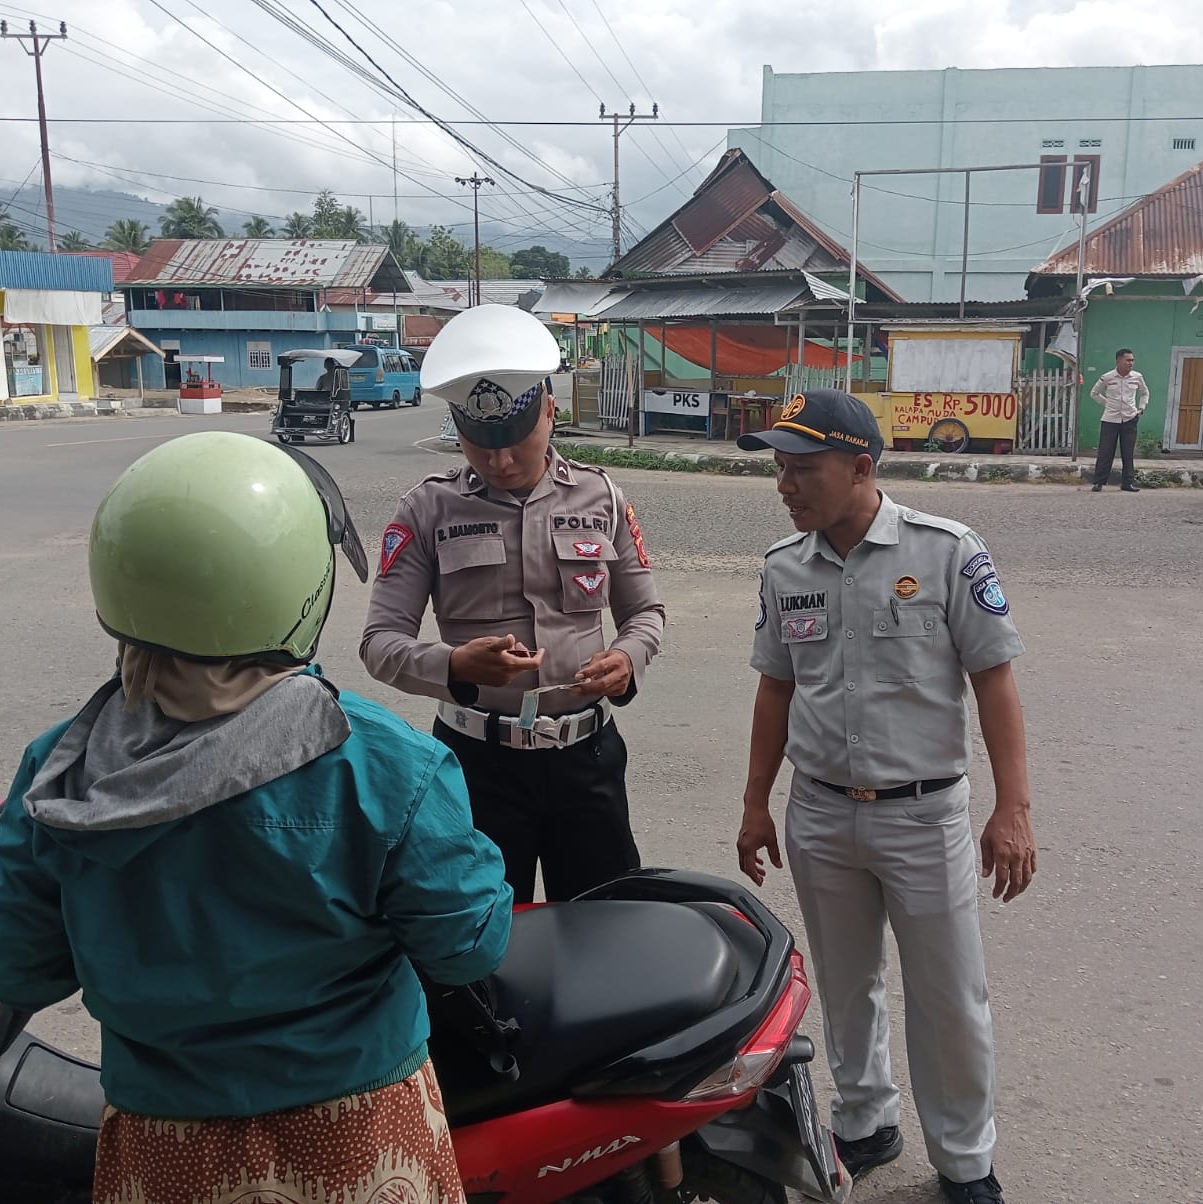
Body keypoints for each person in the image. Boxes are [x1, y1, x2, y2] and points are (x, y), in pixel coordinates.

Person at [0, 431, 511, 1204]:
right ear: (299, 588)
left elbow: (13, 968)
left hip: (165, 1147)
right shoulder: (387, 765)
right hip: (359, 1138)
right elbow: (466, 947)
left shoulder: (62, 772)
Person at [734, 388, 1036, 1204]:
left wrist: (1013, 808)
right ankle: (865, 1122)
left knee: (949, 997)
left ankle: (966, 1161)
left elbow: (994, 680)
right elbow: (774, 691)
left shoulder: (945, 551)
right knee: (845, 981)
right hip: (822, 812)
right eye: (779, 469)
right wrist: (757, 801)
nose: (785, 486)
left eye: (803, 470)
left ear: (862, 468)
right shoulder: (785, 566)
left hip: (923, 813)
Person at [361, 304, 665, 904]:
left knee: (603, 928)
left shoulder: (600, 496)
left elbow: (645, 614)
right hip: (477, 765)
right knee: (485, 944)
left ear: (549, 410)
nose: (498, 461)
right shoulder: (428, 509)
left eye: (514, 443)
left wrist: (628, 658)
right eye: (479, 445)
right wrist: (455, 666)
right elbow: (379, 644)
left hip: (586, 759)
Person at [1089, 347, 1148, 492]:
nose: (1131, 363)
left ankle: (1128, 483)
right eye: (1128, 360)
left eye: (1132, 360)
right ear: (1118, 361)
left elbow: (1145, 393)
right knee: (1105, 452)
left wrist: (1141, 408)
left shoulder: (1137, 377)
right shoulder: (1107, 377)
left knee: (1128, 453)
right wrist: (1107, 403)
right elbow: (1094, 393)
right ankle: (1099, 482)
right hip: (1110, 419)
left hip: (1130, 418)